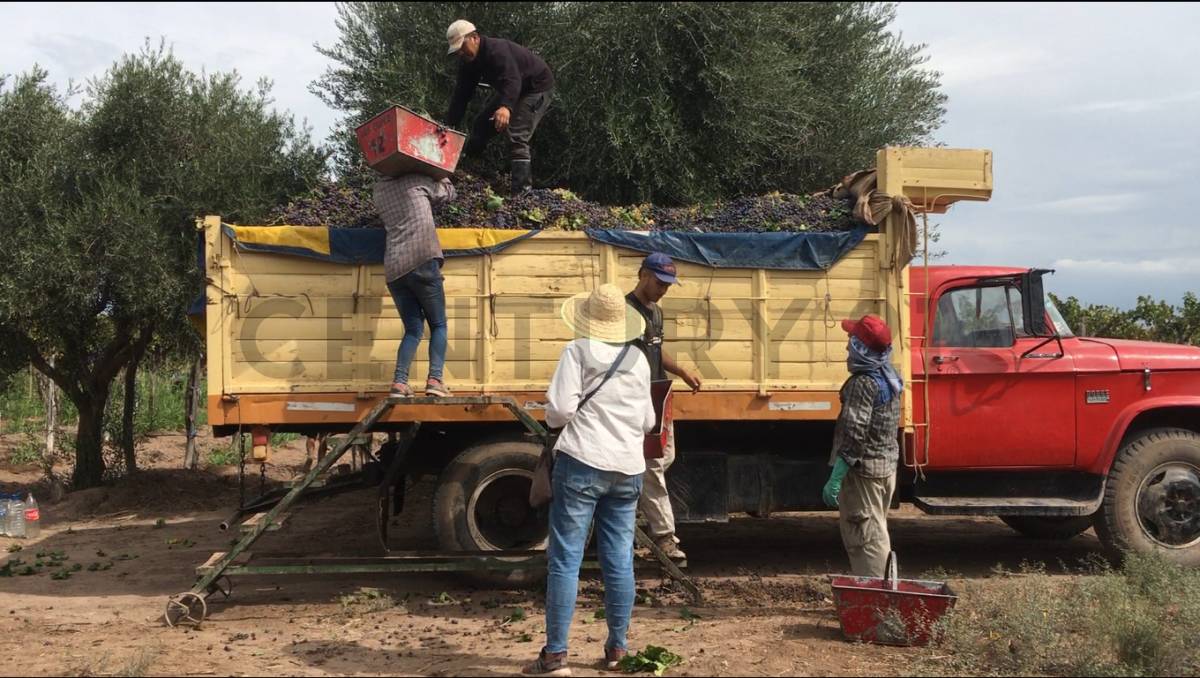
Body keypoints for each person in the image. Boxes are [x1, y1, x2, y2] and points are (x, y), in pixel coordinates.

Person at [524, 284, 655, 676]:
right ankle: (618, 650)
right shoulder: (638, 358)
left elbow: (559, 412)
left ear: (586, 319)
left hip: (583, 463)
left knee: (565, 560)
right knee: (618, 559)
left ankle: (556, 657)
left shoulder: (577, 351)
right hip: (628, 469)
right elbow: (648, 421)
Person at [626, 253, 702, 562]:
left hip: (658, 395)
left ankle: (629, 512)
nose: (664, 290)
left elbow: (655, 349)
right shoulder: (626, 313)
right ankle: (665, 537)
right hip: (636, 399)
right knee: (651, 465)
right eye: (660, 283)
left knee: (664, 457)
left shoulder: (655, 313)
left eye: (668, 285)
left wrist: (682, 370)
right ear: (643, 274)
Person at [821, 314, 904, 578]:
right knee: (877, 533)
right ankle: (884, 596)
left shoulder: (863, 383)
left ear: (861, 348)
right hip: (885, 469)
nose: (847, 347)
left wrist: (835, 478)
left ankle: (879, 604)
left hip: (864, 475)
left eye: (852, 341)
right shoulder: (889, 376)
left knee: (866, 540)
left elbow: (853, 434)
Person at [444, 19, 555, 195]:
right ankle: (471, 172)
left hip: (537, 87)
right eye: (457, 50)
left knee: (516, 134)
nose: (461, 53)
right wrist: (449, 127)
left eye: (462, 46)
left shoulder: (497, 51)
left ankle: (522, 194)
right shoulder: (468, 63)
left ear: (474, 38)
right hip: (514, 89)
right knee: (481, 125)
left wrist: (505, 107)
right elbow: (461, 96)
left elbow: (513, 79)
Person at [373, 173, 457, 398]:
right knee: (438, 324)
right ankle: (435, 380)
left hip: (394, 268)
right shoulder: (417, 180)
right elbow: (449, 194)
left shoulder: (379, 191)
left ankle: (400, 384)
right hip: (422, 260)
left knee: (413, 329)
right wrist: (441, 174)